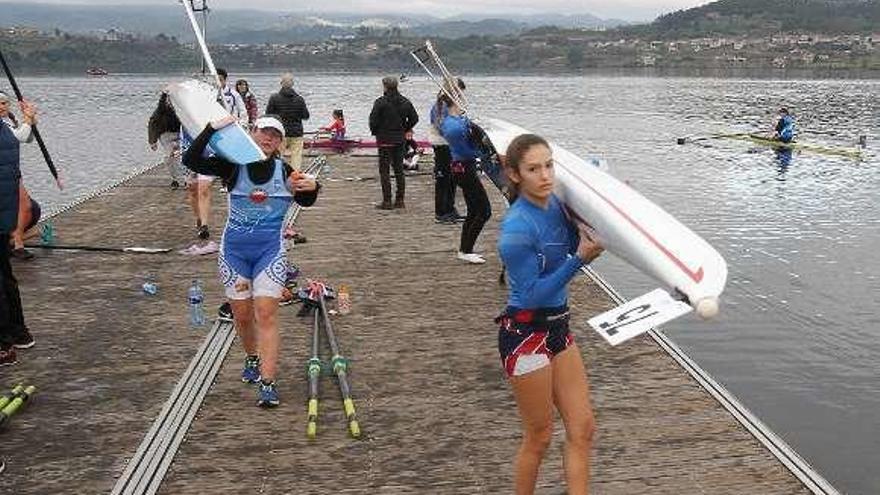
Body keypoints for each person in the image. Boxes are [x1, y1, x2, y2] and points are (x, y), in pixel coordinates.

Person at [183, 114, 320, 407]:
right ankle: (252, 357)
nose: (268, 138)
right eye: (263, 132)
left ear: (281, 143)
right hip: (234, 255)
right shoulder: (232, 165)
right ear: (251, 133)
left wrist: (313, 188)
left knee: (266, 314)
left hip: (269, 253)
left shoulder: (286, 172)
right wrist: (211, 127)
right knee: (243, 317)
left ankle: (268, 383)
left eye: (274, 135)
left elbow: (306, 199)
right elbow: (191, 160)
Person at [496, 134, 604, 495]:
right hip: (525, 335)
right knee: (539, 436)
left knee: (582, 427)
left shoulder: (559, 206)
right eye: (533, 169)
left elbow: (591, 217)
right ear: (514, 175)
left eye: (549, 165)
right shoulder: (516, 229)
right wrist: (579, 259)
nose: (545, 175)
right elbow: (530, 295)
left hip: (559, 328)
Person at [0, 90, 37, 365]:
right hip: (5, 215)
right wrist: (29, 118)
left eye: (4, 102)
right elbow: (24, 135)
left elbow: (22, 134)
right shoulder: (7, 130)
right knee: (6, 275)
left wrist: (28, 119)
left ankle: (4, 346)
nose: (4, 106)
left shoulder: (5, 130)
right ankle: (20, 333)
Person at [437, 94, 490, 263]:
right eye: (462, 97)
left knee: (474, 210)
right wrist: (484, 153)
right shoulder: (453, 126)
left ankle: (465, 250)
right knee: (484, 211)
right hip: (463, 168)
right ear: (457, 100)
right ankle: (466, 250)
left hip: (464, 167)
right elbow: (465, 150)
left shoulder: (456, 121)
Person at [368, 75, 418, 210]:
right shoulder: (406, 102)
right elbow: (415, 118)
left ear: (385, 86)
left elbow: (373, 120)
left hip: (384, 139)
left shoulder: (380, 102)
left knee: (384, 171)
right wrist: (405, 127)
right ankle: (400, 200)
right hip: (399, 139)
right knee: (399, 170)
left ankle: (387, 201)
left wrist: (376, 131)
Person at [429, 82, 464, 223]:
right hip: (442, 144)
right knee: (443, 177)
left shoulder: (452, 106)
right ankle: (441, 211)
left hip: (451, 145)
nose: (461, 95)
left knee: (452, 178)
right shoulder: (440, 106)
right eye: (459, 91)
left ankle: (450, 208)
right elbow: (440, 125)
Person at [265, 73, 310, 170]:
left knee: (278, 154)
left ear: (281, 83)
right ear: (293, 84)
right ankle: (295, 174)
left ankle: (278, 172)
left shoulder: (274, 98)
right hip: (297, 132)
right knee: (296, 156)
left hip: (280, 131)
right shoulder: (299, 99)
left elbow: (268, 115)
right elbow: (306, 116)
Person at [148, 92, 183, 189]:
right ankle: (175, 179)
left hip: (179, 134)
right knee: (169, 156)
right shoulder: (159, 111)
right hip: (165, 135)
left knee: (182, 155)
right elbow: (152, 124)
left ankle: (185, 177)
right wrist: (152, 141)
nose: (169, 102)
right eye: (167, 99)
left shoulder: (181, 109)